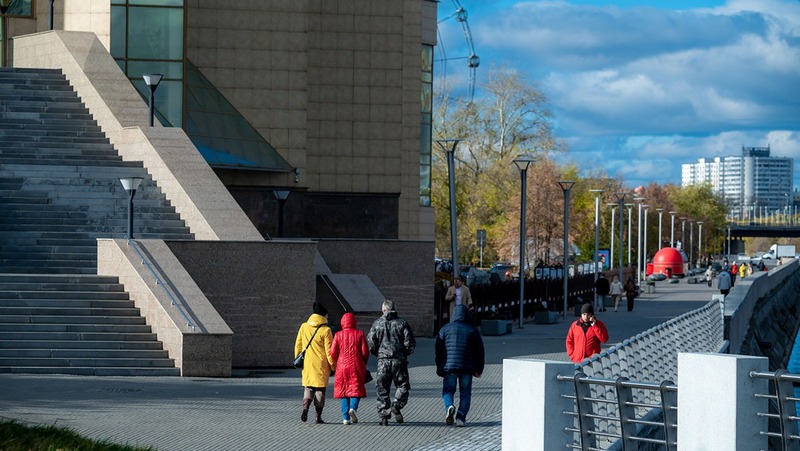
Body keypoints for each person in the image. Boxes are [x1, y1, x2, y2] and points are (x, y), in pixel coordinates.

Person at [435, 304, 485, 428]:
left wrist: (440, 366)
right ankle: (461, 418)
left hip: (449, 366)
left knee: (448, 390)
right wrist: (479, 369)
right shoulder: (473, 330)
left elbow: (439, 349)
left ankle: (449, 406)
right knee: (465, 393)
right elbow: (480, 351)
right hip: (467, 368)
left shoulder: (444, 329)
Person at [367, 299, 416, 425]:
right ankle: (397, 404)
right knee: (403, 385)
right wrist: (404, 353)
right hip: (399, 360)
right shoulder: (402, 323)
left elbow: (371, 343)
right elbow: (410, 343)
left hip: (383, 361)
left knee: (382, 387)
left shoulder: (377, 324)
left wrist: (379, 353)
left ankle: (384, 416)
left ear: (383, 310)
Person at [294, 302, 335, 424]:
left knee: (308, 387)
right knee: (320, 391)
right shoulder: (326, 330)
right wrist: (333, 366)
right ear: (323, 315)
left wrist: (298, 359)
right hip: (321, 365)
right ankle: (318, 416)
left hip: (307, 363)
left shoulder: (304, 326)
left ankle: (305, 406)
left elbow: (298, 345)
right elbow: (329, 351)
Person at [329, 312, 369, 425]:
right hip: (356, 365)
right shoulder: (359, 334)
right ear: (354, 322)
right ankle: (353, 408)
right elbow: (365, 352)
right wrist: (363, 362)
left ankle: (345, 418)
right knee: (356, 388)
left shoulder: (338, 335)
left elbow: (332, 352)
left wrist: (338, 360)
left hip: (342, 366)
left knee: (343, 391)